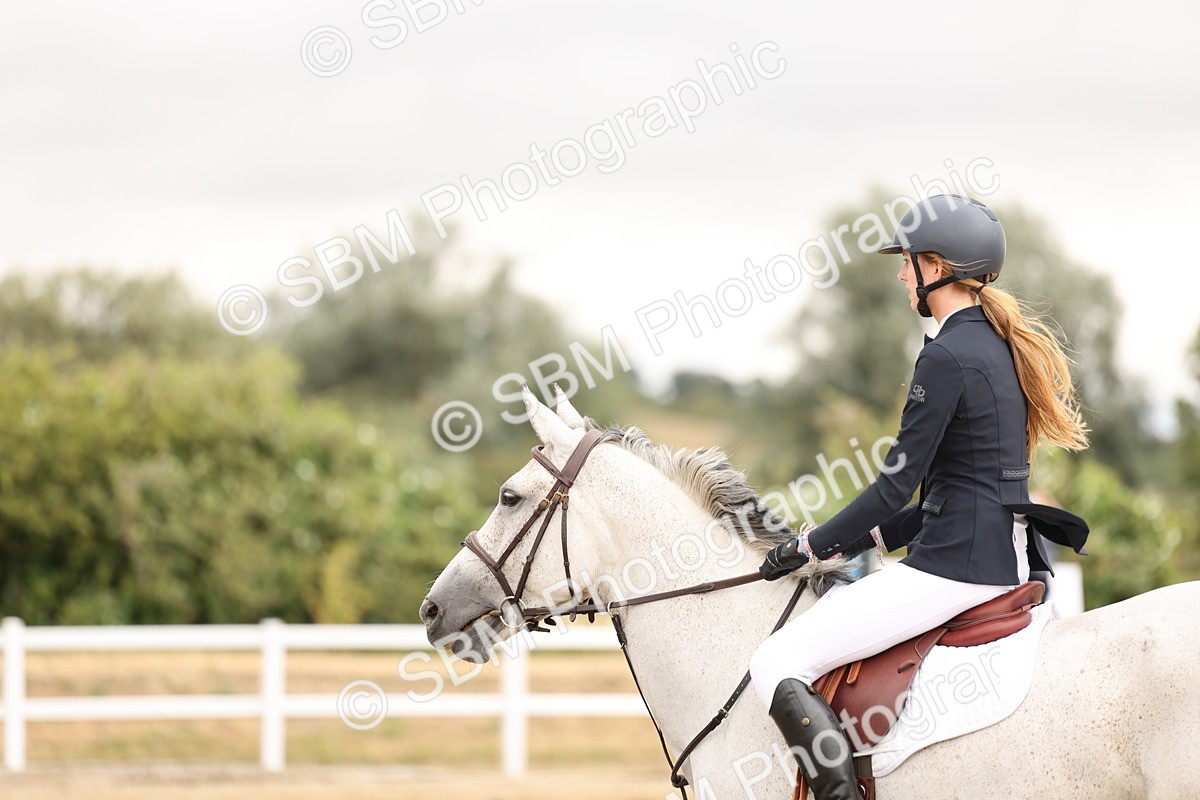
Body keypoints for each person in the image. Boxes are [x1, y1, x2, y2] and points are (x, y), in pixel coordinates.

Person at [749, 195, 1091, 800]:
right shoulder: (996, 347)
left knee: (775, 662)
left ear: (938, 267)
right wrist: (862, 540)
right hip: (1000, 560)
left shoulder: (946, 356)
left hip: (954, 572)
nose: (901, 274)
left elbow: (893, 487)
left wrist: (808, 545)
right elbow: (949, 493)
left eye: (908, 263)